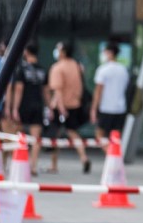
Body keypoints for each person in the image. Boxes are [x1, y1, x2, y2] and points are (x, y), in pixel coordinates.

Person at [48, 41, 91, 174]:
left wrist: (60, 108)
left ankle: (54, 164)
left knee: (55, 135)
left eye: (59, 49)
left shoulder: (57, 68)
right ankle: (84, 157)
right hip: (75, 104)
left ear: (63, 52)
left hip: (61, 106)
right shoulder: (77, 66)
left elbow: (58, 91)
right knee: (73, 132)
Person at [8, 42, 50, 176]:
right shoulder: (42, 70)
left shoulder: (22, 69)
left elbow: (19, 90)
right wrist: (48, 107)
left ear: (26, 52)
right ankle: (33, 166)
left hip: (24, 106)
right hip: (38, 105)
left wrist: (14, 108)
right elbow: (46, 91)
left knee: (17, 135)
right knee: (36, 138)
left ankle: (17, 163)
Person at [90, 41, 130, 147]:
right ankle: (115, 157)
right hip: (120, 107)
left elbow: (98, 91)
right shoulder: (123, 70)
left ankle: (111, 154)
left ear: (110, 53)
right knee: (116, 137)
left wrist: (94, 108)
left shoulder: (103, 70)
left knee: (99, 134)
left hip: (106, 108)